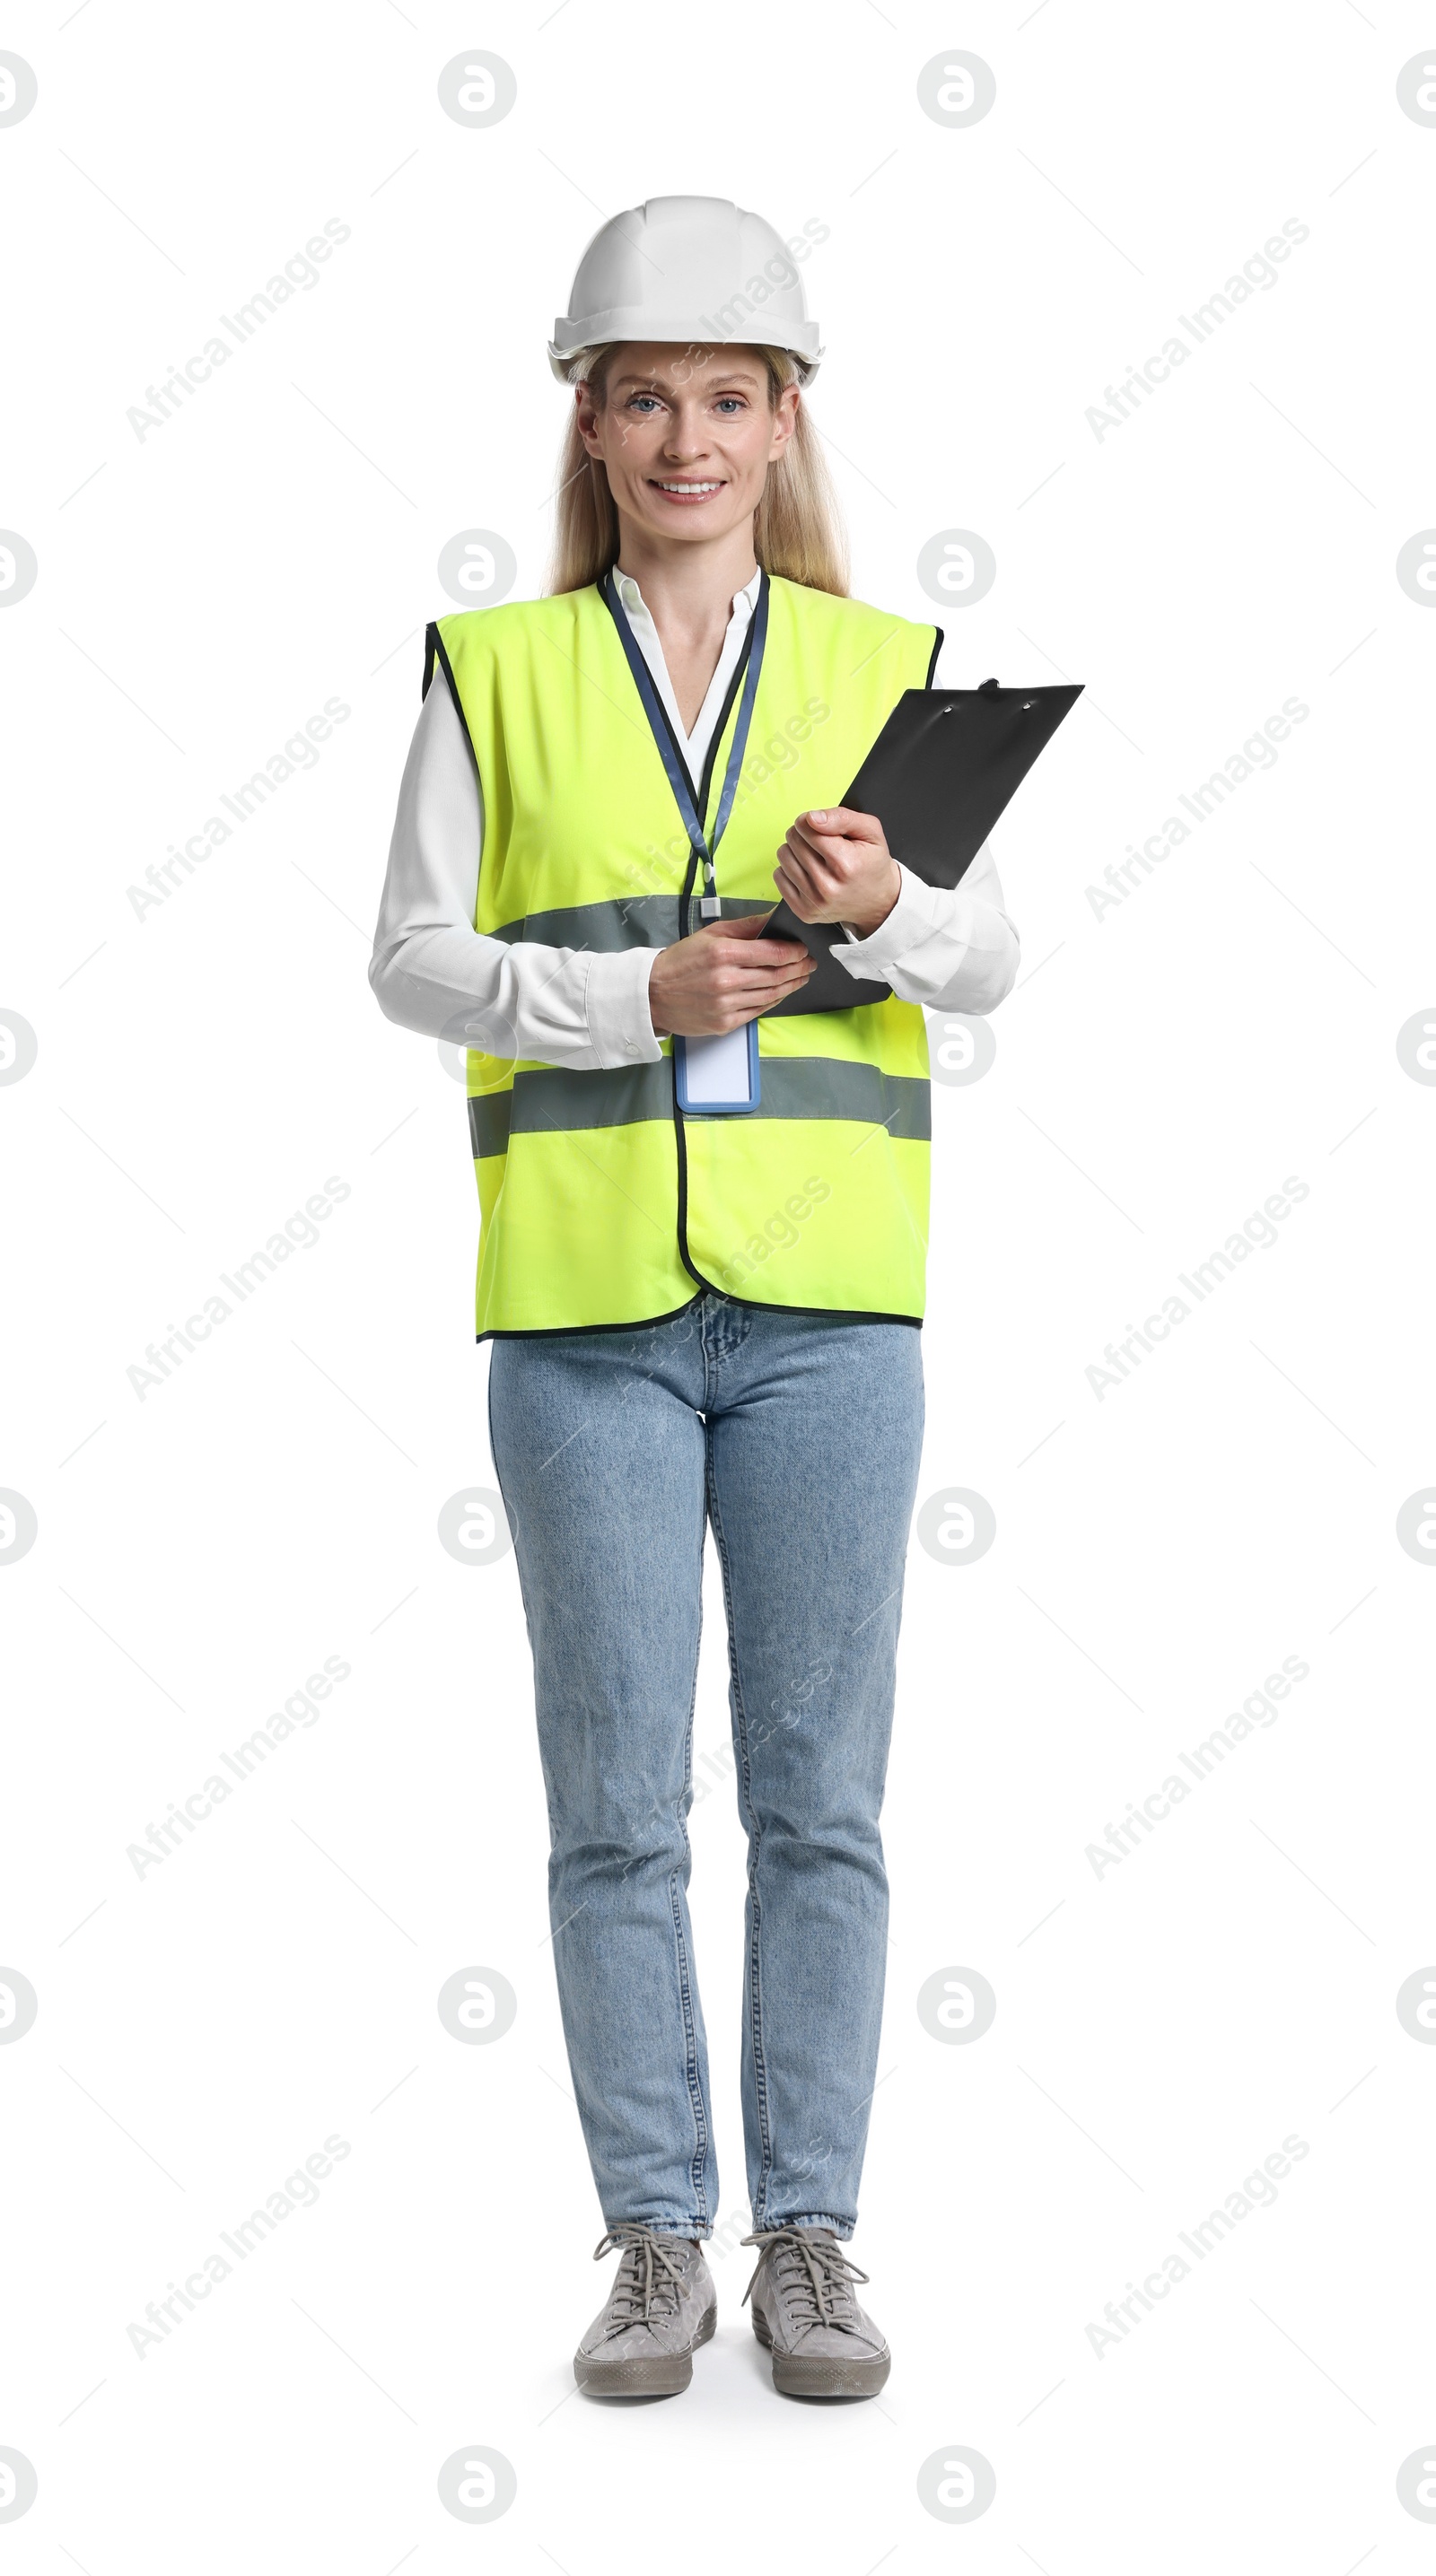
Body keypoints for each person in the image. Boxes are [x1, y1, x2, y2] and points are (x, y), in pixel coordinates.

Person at [370, 195, 1019, 2399]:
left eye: (721, 398)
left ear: (781, 419)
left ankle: (809, 2237)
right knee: (614, 1801)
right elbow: (409, 958)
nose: (681, 436)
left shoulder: (879, 665)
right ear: (591, 420)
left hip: (832, 1306)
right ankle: (656, 2235)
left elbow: (989, 960)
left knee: (819, 1792)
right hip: (583, 1317)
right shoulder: (499, 666)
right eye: (640, 395)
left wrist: (900, 901)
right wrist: (619, 994)